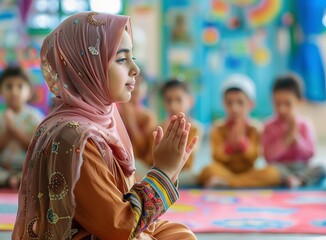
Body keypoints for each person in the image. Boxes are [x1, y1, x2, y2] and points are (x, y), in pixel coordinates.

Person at [12, 12, 198, 240]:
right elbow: (117, 227)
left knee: (177, 232)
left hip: (107, 228)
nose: (135, 70)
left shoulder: (101, 119)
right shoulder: (74, 136)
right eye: (121, 59)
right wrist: (163, 172)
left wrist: (170, 168)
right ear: (87, 67)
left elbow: (119, 200)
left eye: (133, 59)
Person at [199, 74, 280, 188]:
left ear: (251, 104)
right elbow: (216, 157)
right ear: (223, 104)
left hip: (248, 172)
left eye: (240, 102)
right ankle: (241, 182)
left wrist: (243, 144)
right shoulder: (217, 128)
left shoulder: (255, 128)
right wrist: (229, 147)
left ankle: (229, 183)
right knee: (208, 171)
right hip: (224, 171)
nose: (234, 108)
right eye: (229, 102)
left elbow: (254, 157)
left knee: (272, 173)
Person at [262, 73, 325, 188]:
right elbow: (268, 157)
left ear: (299, 101)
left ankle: (299, 180)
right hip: (280, 168)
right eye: (277, 104)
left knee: (321, 169)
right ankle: (289, 179)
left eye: (287, 104)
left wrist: (297, 139)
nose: (282, 109)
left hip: (302, 167)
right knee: (268, 171)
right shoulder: (269, 126)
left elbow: (310, 154)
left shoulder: (304, 125)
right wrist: (285, 141)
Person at [0, 65, 43, 189]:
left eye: (20, 86)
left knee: (39, 170)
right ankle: (11, 180)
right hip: (4, 167)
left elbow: (34, 147)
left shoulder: (34, 117)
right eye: (9, 86)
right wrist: (7, 130)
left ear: (29, 92)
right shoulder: (2, 116)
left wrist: (13, 129)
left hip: (26, 166)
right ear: (1, 90)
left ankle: (17, 179)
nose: (14, 91)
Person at [119, 72, 157, 179]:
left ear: (146, 89)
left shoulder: (147, 116)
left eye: (140, 84)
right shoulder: (116, 112)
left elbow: (144, 149)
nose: (136, 88)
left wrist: (131, 122)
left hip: (139, 163)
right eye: (132, 84)